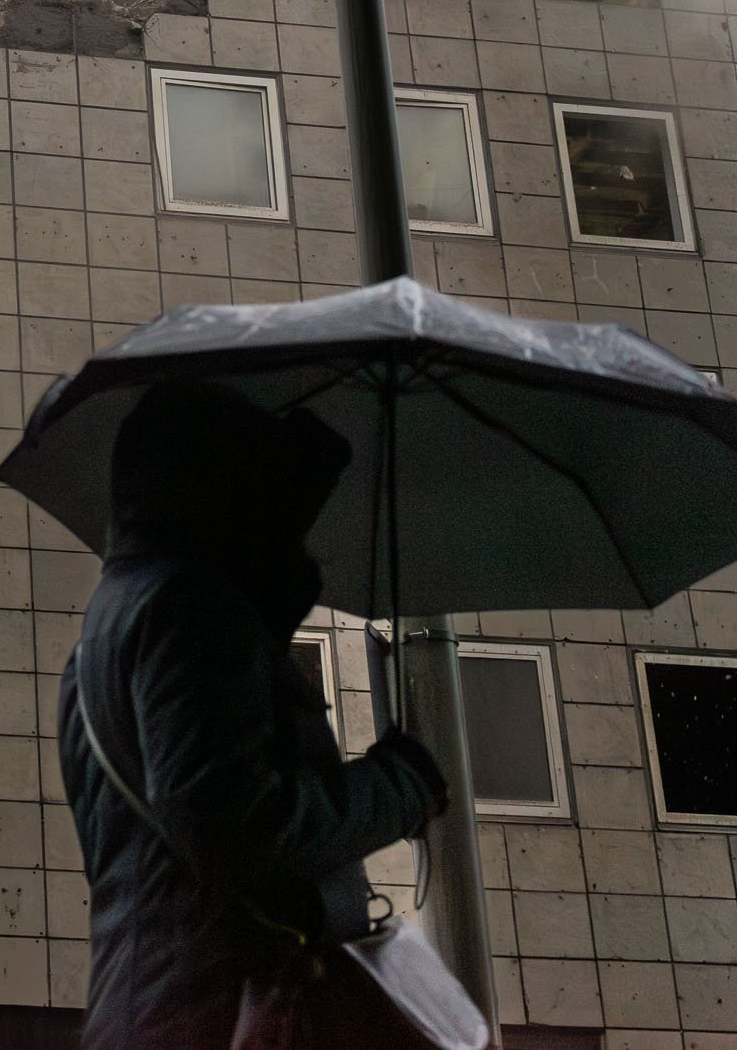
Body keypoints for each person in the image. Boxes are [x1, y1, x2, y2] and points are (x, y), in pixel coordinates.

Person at [57, 378, 447, 1050]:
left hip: (155, 1006)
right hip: (231, 1011)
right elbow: (240, 827)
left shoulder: (108, 627)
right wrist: (401, 783)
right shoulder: (189, 610)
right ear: (219, 491)